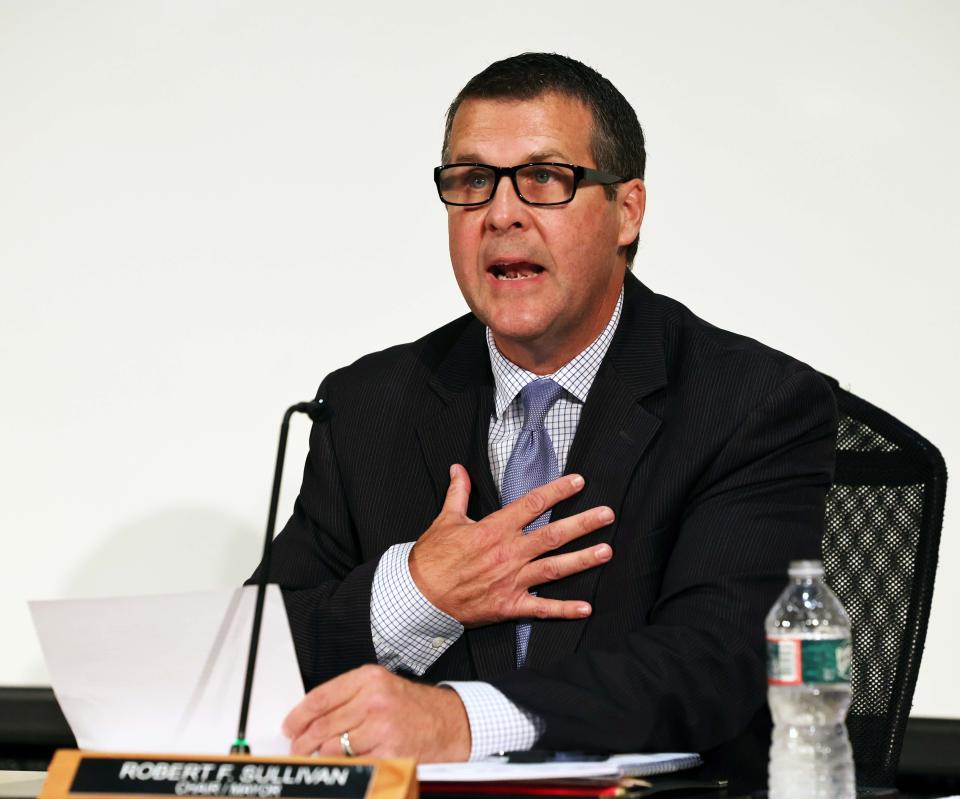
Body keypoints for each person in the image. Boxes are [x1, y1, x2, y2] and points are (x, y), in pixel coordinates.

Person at [257, 53, 837, 766]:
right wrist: (417, 591)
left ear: (626, 210)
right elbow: (260, 650)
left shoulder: (749, 403)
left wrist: (461, 721)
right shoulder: (368, 405)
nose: (501, 214)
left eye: (543, 179)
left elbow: (713, 663)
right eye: (472, 182)